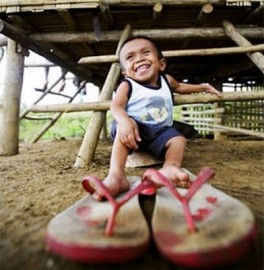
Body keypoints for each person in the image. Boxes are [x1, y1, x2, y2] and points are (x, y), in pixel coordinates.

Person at [92, 36, 222, 200]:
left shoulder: (167, 80)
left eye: (146, 52)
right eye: (130, 57)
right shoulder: (127, 85)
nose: (139, 59)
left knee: (178, 139)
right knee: (129, 121)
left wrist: (204, 87)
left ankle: (170, 168)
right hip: (130, 131)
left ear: (162, 64)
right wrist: (124, 121)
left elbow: (181, 87)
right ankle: (116, 175)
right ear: (126, 73)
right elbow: (116, 106)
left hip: (159, 133)